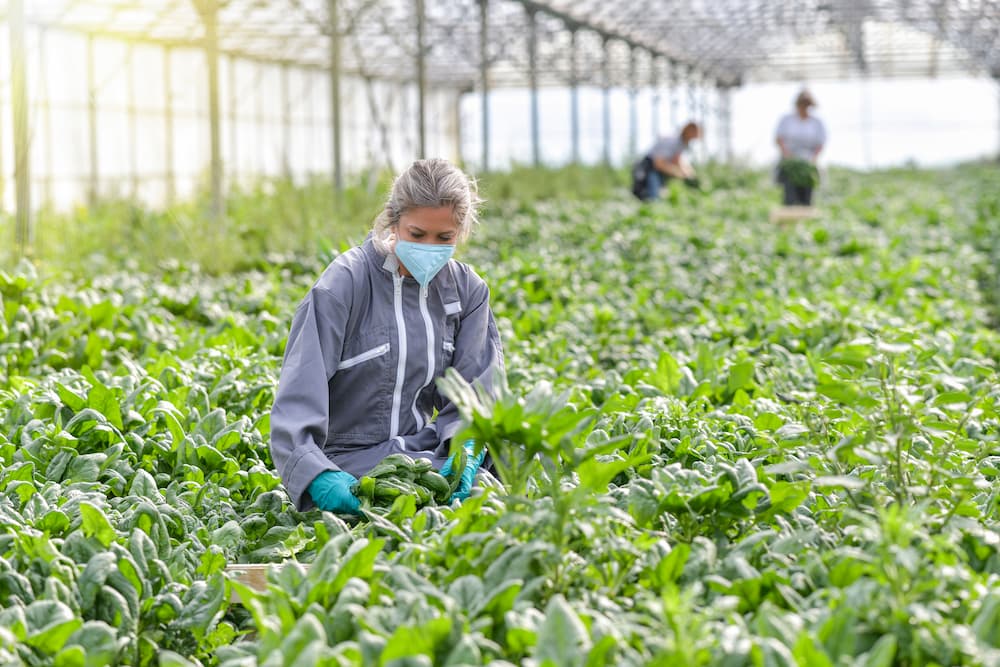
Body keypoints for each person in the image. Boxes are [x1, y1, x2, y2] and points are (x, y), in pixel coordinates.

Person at [270, 158, 505, 514]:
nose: (429, 248)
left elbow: (474, 394)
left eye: (444, 238)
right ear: (393, 222)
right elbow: (298, 395)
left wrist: (467, 448)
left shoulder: (467, 291)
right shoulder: (346, 283)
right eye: (416, 234)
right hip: (348, 464)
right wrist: (317, 475)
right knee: (392, 513)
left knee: (497, 483)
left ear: (460, 233)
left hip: (421, 454)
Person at [775, 90, 827, 206]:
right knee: (790, 189)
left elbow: (821, 143)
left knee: (808, 190)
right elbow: (779, 139)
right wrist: (787, 154)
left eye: (807, 106)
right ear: (797, 105)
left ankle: (806, 209)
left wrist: (814, 158)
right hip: (790, 160)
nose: (804, 108)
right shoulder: (787, 120)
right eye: (802, 105)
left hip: (808, 160)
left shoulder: (816, 122)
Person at [631, 121, 702, 201]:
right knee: (653, 198)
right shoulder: (671, 141)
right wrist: (678, 173)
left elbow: (678, 161)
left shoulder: (681, 144)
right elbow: (658, 163)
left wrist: (691, 174)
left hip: (660, 173)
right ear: (689, 131)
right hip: (650, 170)